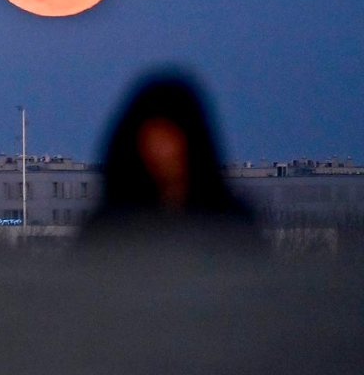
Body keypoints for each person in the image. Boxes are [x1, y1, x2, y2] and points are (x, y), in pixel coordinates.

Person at [77, 70, 267, 254]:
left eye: (167, 138)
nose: (158, 151)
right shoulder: (108, 230)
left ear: (191, 142)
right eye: (149, 140)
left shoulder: (229, 227)